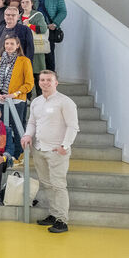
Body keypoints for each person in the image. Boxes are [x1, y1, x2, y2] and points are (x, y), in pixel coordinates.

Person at [23, 70, 80, 233]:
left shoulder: (65, 102)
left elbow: (72, 126)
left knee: (58, 185)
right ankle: (54, 215)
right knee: (47, 185)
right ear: (38, 82)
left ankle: (62, 220)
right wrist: (28, 135)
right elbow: (32, 122)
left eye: (49, 80)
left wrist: (65, 145)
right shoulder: (36, 102)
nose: (45, 83)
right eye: (42, 80)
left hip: (57, 151)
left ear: (56, 82)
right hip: (39, 149)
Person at [0, 35, 34, 160]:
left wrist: (14, 94)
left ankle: (18, 153)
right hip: (0, 99)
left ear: (17, 45)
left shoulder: (24, 61)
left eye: (12, 44)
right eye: (7, 43)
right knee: (0, 127)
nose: (9, 46)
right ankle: (2, 151)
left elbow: (29, 83)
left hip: (17, 100)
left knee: (17, 126)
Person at [35, 0, 66, 72]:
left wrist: (55, 23)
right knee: (36, 55)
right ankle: (38, 79)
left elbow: (63, 11)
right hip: (35, 29)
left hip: (49, 29)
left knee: (49, 55)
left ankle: (50, 77)